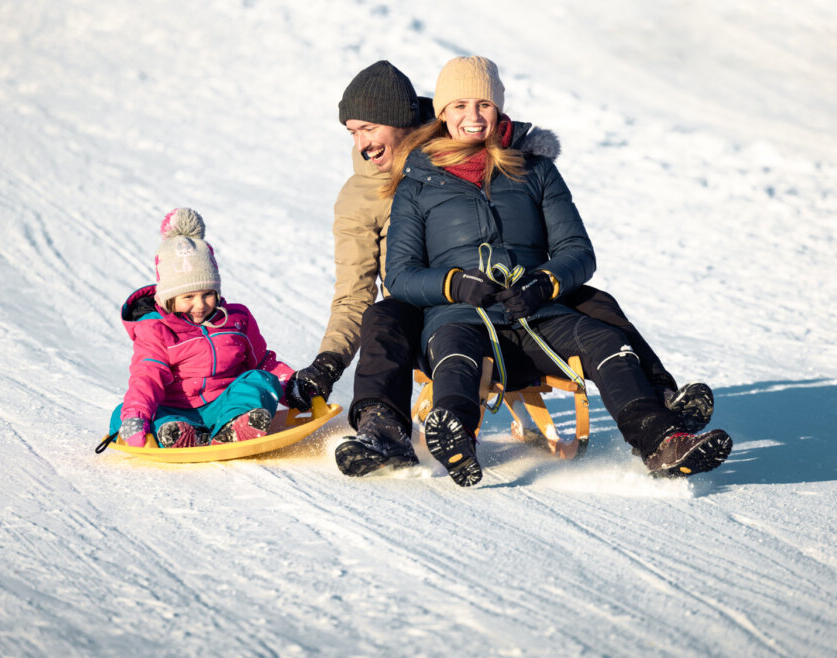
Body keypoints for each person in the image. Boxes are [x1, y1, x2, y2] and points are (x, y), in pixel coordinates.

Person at [292, 60, 715, 478]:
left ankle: (660, 403)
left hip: (515, 296)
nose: (362, 143)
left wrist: (542, 279)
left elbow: (568, 245)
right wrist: (329, 363)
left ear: (403, 121)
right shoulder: (380, 190)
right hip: (426, 302)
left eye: (368, 129)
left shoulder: (496, 151)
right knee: (386, 317)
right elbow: (358, 288)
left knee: (593, 303)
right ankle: (388, 429)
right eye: (353, 133)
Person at [108, 208, 295, 449]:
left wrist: (293, 387)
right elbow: (147, 376)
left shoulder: (237, 319)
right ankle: (178, 434)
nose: (200, 304)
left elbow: (262, 362)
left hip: (226, 404)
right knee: (123, 413)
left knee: (262, 379)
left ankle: (236, 426)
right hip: (177, 409)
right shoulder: (155, 329)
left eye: (208, 294)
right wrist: (135, 416)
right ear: (169, 298)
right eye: (188, 296)